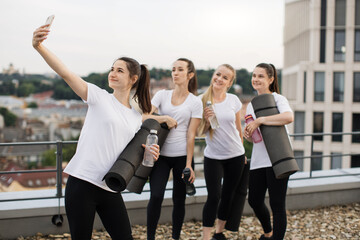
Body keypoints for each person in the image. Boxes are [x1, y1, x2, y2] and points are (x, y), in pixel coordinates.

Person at [32, 23, 160, 240]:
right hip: (82, 183)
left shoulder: (136, 118)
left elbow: (131, 154)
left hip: (109, 187)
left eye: (120, 70)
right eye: (112, 68)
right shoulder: (98, 97)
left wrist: (148, 153)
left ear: (133, 79)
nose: (113, 73)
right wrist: (39, 47)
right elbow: (65, 73)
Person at [143, 58, 203, 240]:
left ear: (190, 75)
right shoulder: (162, 95)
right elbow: (145, 116)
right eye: (173, 69)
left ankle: (175, 237)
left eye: (180, 70)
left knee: (179, 200)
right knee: (156, 196)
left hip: (182, 157)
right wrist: (164, 118)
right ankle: (150, 237)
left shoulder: (195, 102)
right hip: (160, 156)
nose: (175, 73)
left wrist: (189, 165)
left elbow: (191, 135)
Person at [244, 63, 294, 240]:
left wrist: (261, 120)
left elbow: (288, 117)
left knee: (277, 204)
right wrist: (248, 134)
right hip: (259, 158)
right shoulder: (251, 105)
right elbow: (254, 137)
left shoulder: (278, 98)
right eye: (254, 75)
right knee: (254, 200)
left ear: (271, 79)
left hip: (278, 157)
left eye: (260, 76)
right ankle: (268, 233)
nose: (256, 79)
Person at [198, 64, 247, 240]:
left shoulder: (234, 100)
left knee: (228, 195)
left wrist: (243, 153)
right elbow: (197, 132)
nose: (219, 79)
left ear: (230, 82)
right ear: (213, 75)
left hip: (236, 155)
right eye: (218, 74)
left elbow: (238, 128)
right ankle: (206, 237)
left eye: (225, 77)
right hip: (213, 157)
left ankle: (218, 233)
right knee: (214, 196)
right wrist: (205, 120)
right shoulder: (201, 100)